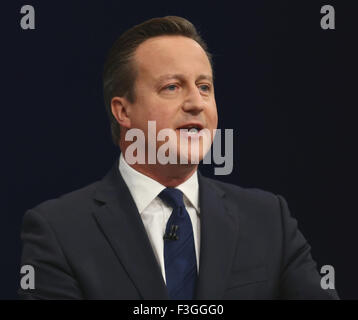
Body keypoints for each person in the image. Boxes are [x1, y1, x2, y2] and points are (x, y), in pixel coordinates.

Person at [18, 16, 339, 300]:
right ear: (123, 110)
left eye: (204, 86)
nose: (196, 103)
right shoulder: (59, 230)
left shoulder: (270, 220)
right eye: (172, 87)